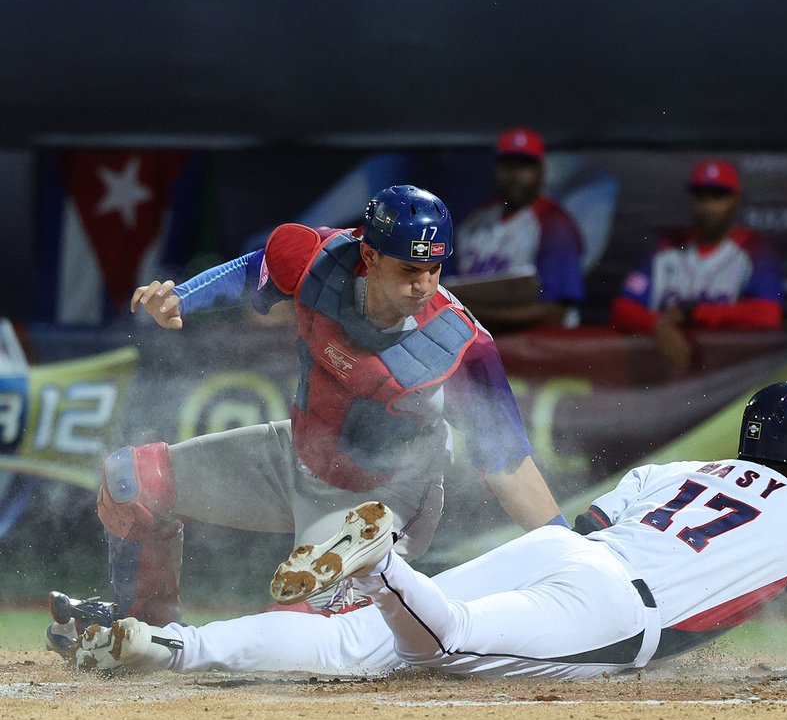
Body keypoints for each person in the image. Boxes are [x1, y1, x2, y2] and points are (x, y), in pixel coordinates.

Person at [67, 382, 787, 680]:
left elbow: (585, 522)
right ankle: (382, 562)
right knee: (439, 648)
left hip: (574, 550)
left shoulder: (684, 472)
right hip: (616, 611)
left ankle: (166, 641)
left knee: (355, 646)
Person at [57, 185, 565, 630]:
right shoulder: (318, 260)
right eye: (410, 269)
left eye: (435, 268)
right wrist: (180, 299)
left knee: (297, 626)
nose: (425, 285)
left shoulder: (461, 345)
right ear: (370, 255)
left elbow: (509, 466)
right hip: (296, 455)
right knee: (131, 482)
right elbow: (252, 269)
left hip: (379, 501)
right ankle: (144, 631)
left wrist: (573, 555)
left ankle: (389, 618)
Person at [610, 159, 783, 372]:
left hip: (729, 375)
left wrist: (695, 314)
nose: (708, 206)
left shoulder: (755, 250)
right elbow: (623, 307)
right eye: (701, 197)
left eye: (718, 196)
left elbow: (767, 314)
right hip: (667, 376)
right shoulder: (667, 248)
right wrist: (658, 326)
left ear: (737, 201)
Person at [448, 128, 587, 332]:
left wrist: (472, 315)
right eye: (508, 165)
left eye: (524, 166)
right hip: (482, 340)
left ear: (541, 170)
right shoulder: (473, 221)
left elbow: (555, 312)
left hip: (539, 349)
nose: (515, 176)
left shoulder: (555, 225)